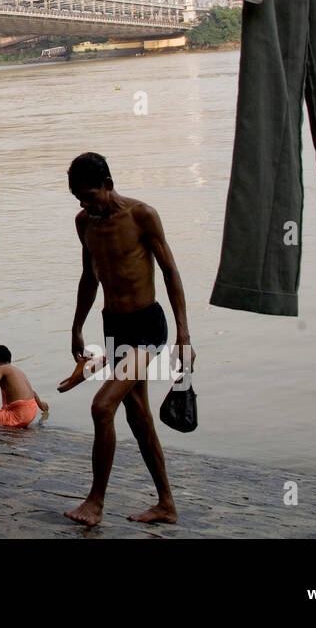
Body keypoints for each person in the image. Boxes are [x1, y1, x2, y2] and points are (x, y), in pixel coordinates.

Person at [63, 152, 194, 527]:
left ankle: (95, 502)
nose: (86, 205)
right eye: (79, 199)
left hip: (148, 326)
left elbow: (170, 272)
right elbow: (90, 276)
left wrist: (184, 334)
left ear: (108, 184)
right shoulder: (84, 223)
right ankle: (166, 505)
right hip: (114, 326)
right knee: (138, 416)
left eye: (90, 196)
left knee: (102, 407)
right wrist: (77, 326)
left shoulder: (142, 215)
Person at [0, 345, 49, 427]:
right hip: (31, 412)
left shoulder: (0, 369)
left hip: (19, 416)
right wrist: (41, 405)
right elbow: (32, 392)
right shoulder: (18, 371)